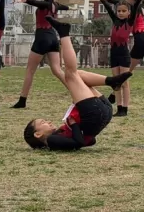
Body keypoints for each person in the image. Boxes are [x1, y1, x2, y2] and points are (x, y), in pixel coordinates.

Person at [23, 13, 132, 151]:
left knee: (77, 75)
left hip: (101, 113)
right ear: (38, 134)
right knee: (71, 74)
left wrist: (79, 127)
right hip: (94, 115)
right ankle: (64, 33)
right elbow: (78, 143)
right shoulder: (51, 140)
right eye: (43, 123)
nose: (48, 121)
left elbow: (91, 141)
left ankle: (111, 81)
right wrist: (74, 123)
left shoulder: (57, 136)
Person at [12, 0, 65, 108]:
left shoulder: (46, 3)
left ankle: (22, 100)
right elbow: (64, 7)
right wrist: (67, 8)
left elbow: (36, 3)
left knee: (30, 70)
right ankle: (77, 92)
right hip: (53, 37)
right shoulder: (55, 5)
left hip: (42, 36)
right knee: (57, 70)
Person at [96, 0, 133, 117]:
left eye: (124, 11)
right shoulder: (115, 20)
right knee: (116, 83)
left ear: (129, 12)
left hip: (124, 54)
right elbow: (106, 6)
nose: (121, 13)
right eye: (119, 11)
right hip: (114, 54)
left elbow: (137, 4)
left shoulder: (129, 22)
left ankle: (125, 108)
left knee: (124, 83)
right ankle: (119, 107)